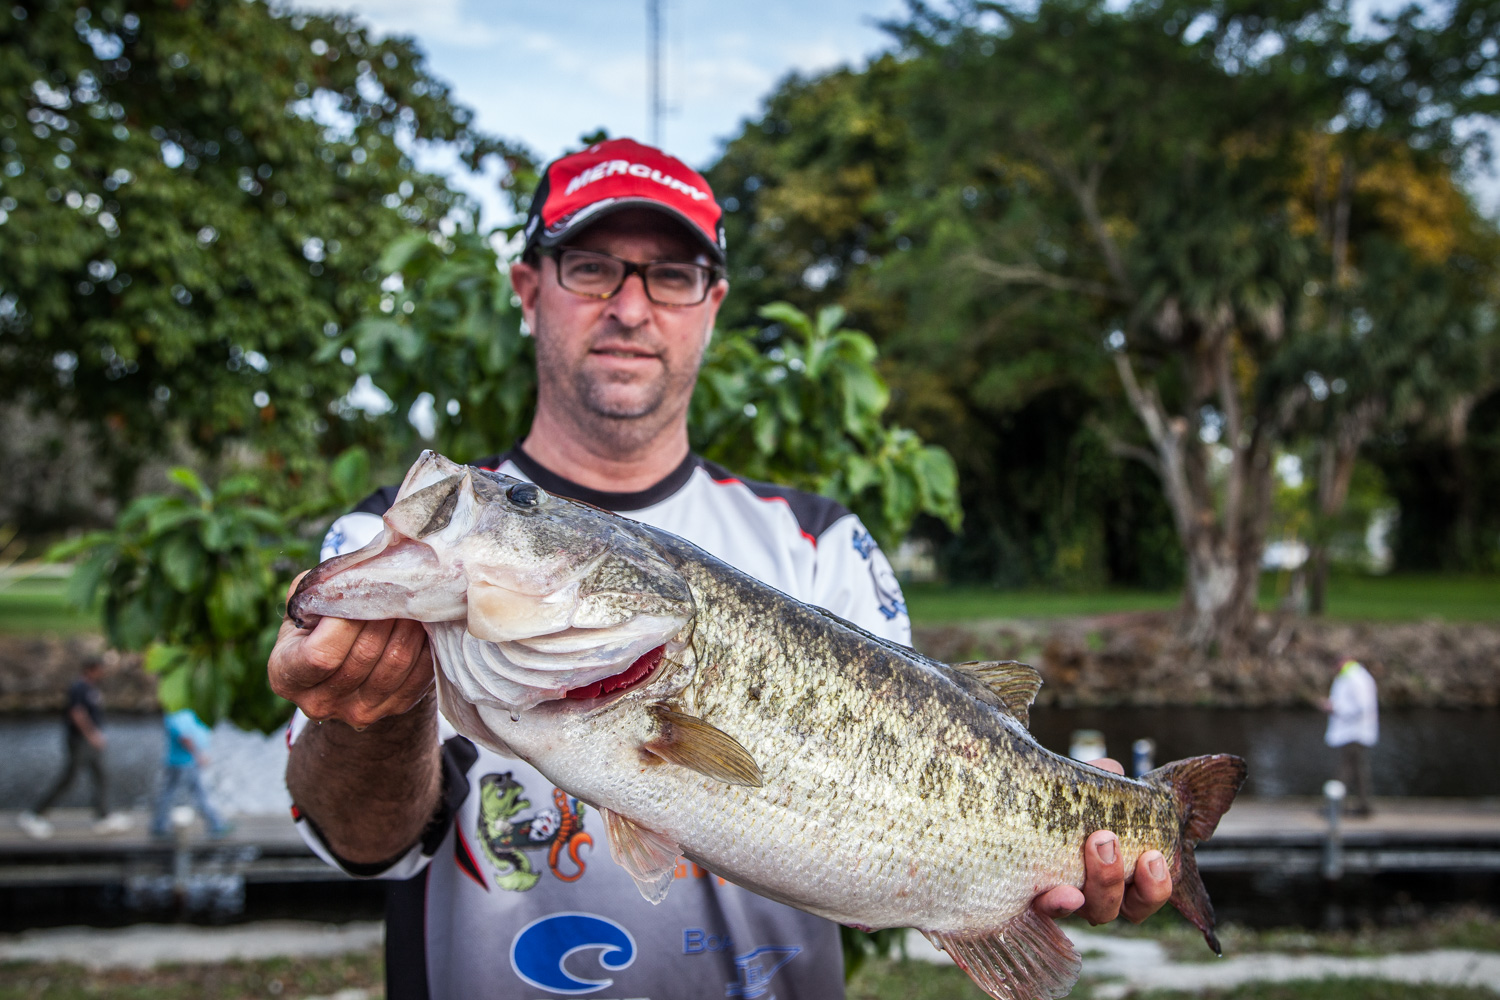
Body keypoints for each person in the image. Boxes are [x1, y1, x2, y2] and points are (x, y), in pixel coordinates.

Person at [268, 138, 1172, 1000]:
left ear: (714, 302)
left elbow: (922, 796)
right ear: (527, 289)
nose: (630, 307)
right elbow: (361, 843)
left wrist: (1044, 859)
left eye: (671, 275)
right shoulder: (388, 537)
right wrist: (369, 720)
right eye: (590, 268)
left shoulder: (821, 543)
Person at [20, 656, 131, 838]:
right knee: (69, 778)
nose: (102, 673)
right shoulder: (78, 688)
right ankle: (35, 814)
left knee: (101, 775)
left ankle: (103, 817)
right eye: (99, 669)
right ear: (90, 669)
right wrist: (92, 735)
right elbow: (77, 713)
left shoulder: (90, 688)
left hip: (90, 741)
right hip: (80, 741)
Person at [150, 705, 230, 838]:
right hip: (184, 762)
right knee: (199, 793)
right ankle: (215, 824)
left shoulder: (183, 709)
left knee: (170, 792)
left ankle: (159, 824)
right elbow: (184, 737)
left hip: (181, 761)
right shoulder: (176, 712)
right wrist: (198, 755)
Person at [1319, 654, 1378, 817]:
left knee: (1346, 770)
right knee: (1358, 771)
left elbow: (1362, 707)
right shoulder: (1351, 676)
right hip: (1352, 732)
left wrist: (1334, 707)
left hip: (1355, 732)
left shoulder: (1356, 678)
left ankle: (1336, 806)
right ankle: (1362, 806)